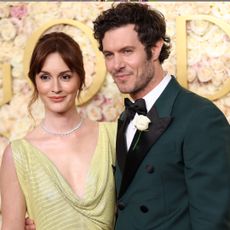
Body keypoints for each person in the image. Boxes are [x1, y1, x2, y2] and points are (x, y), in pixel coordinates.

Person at [25, 2, 230, 230]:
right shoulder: (124, 119)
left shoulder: (200, 118)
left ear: (154, 49)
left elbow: (213, 222)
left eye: (127, 51)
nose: (116, 65)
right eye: (109, 54)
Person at [0, 32, 116, 230]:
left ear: (80, 78)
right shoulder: (18, 155)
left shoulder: (112, 136)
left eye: (65, 76)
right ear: (35, 81)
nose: (55, 88)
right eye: (45, 77)